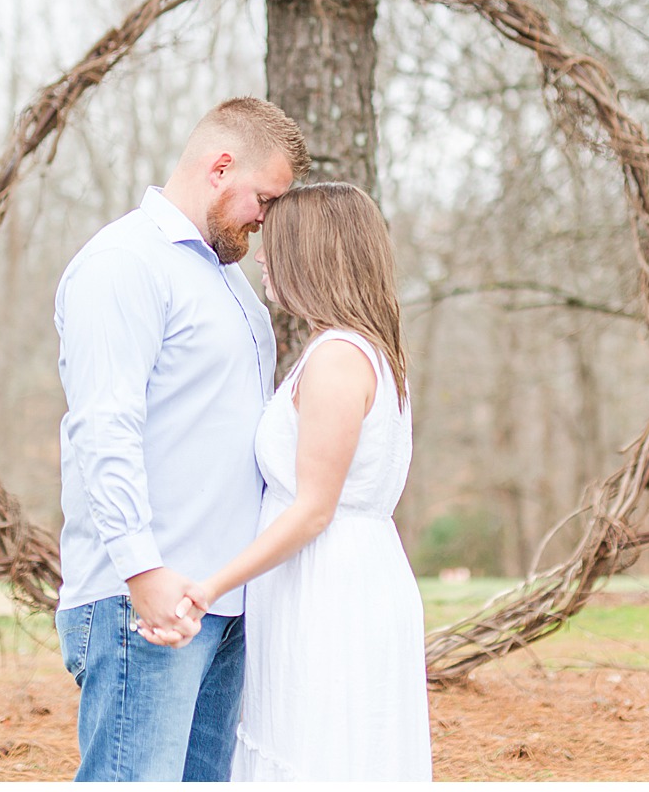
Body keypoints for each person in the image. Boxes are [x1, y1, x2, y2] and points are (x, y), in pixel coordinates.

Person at [52, 96, 310, 782]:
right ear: (220, 166)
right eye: (264, 197)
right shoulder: (123, 262)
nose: (266, 217)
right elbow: (104, 425)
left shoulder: (230, 282)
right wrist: (143, 569)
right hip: (146, 601)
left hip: (221, 601)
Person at [141, 182, 433, 781]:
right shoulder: (351, 350)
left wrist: (210, 586)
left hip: (328, 586)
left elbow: (313, 509)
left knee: (321, 755)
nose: (262, 256)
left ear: (313, 254)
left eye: (277, 245)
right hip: (321, 578)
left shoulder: (339, 359)